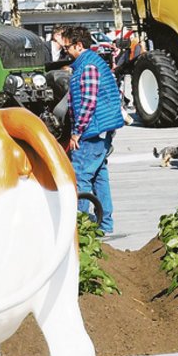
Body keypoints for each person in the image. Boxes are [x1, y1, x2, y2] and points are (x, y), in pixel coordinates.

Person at [62, 26, 126, 235]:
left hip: (91, 130)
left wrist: (77, 132)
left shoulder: (88, 66)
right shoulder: (90, 63)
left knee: (80, 176)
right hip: (101, 129)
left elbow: (88, 102)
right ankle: (104, 223)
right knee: (99, 176)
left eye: (67, 47)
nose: (65, 52)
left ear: (78, 46)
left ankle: (81, 227)